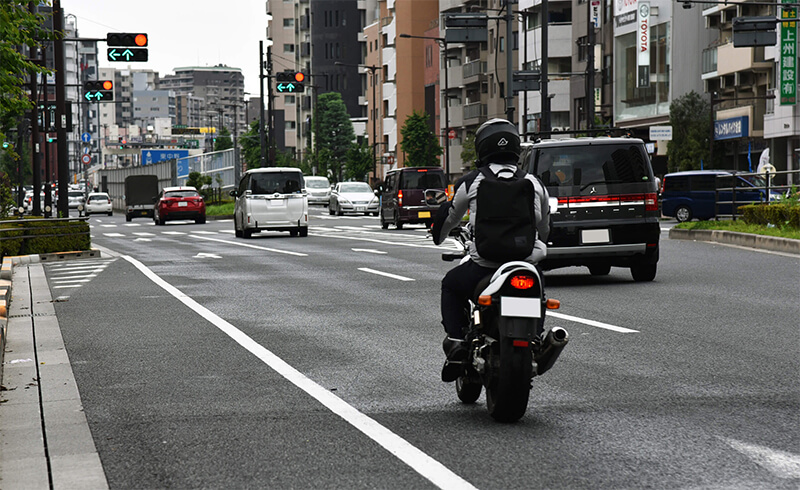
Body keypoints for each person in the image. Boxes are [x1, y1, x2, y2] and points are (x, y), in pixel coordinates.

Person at [430, 118, 551, 382]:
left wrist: (438, 236)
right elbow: (545, 228)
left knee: (451, 285)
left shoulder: (472, 181)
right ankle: (537, 341)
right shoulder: (534, 182)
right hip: (525, 264)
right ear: (516, 148)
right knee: (538, 292)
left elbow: (449, 216)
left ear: (482, 148)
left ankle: (458, 342)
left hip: (484, 265)